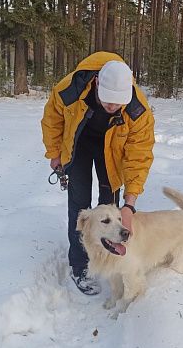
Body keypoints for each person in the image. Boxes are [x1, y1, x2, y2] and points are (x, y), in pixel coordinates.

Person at [41, 51, 155, 295]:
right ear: (96, 84)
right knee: (80, 205)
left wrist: (130, 203)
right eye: (108, 101)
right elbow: (52, 118)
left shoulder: (138, 111)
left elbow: (140, 154)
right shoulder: (71, 88)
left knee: (110, 208)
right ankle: (80, 265)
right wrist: (54, 153)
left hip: (111, 150)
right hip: (79, 144)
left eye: (118, 103)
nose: (113, 106)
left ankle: (110, 258)